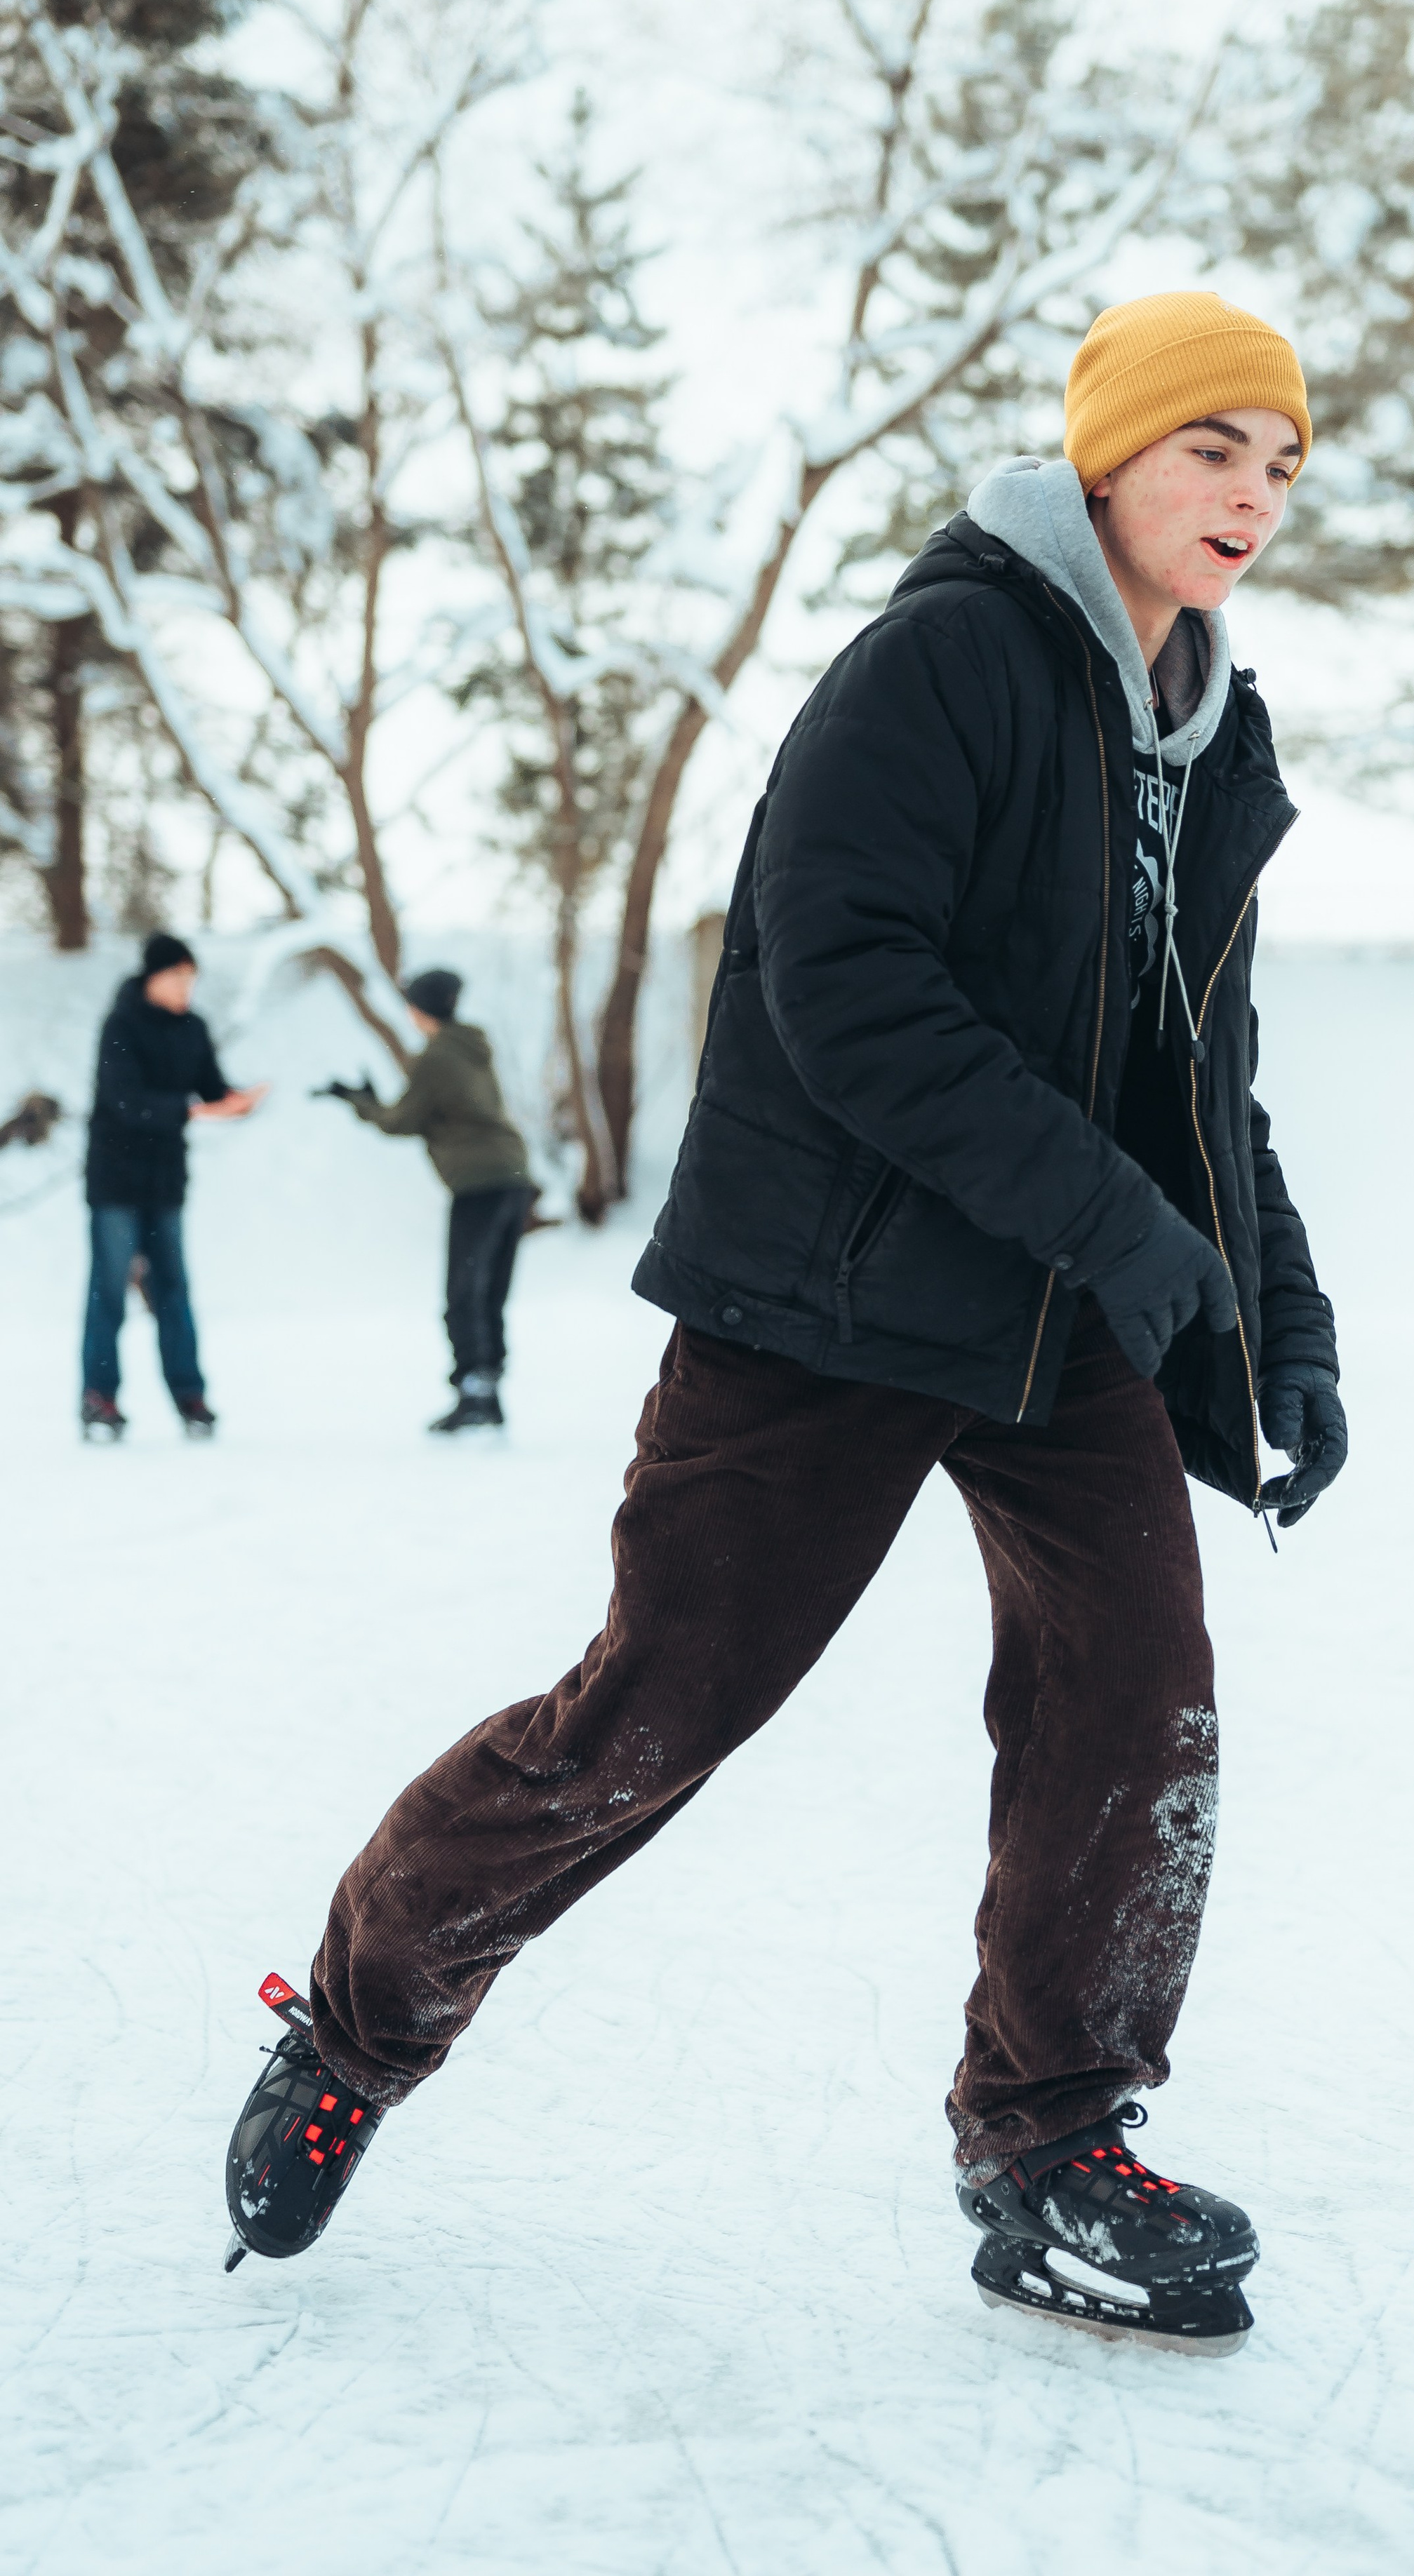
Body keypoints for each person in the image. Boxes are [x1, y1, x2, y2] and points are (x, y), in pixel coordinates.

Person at [226, 292, 1347, 2356]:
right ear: (1106, 452)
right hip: (824, 1291)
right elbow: (844, 988)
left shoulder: (1206, 729)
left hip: (1053, 1312)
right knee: (652, 1714)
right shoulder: (951, 658)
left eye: (1280, 460)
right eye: (1214, 448)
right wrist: (1115, 1216)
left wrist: (1277, 1315)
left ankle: (1049, 2141)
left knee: (1136, 1708)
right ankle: (356, 2030)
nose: (1253, 492)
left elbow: (1208, 1069)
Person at [320, 969, 536, 1433]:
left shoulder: (436, 1057)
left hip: (480, 1181)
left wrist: (359, 1101)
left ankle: (475, 1392)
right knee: (489, 1290)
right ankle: (489, 1388)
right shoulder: (472, 1047)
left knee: (463, 1292)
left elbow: (402, 1120)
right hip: (513, 1174)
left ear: (418, 1009)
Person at [80, 933, 267, 1442]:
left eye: (192, 978)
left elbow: (210, 1086)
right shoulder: (120, 1024)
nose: (186, 987)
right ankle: (99, 1397)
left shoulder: (194, 1028)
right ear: (153, 977)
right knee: (109, 1291)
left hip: (166, 1182)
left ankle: (190, 1396)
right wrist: (192, 1110)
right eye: (178, 977)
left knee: (174, 1292)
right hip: (116, 1180)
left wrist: (238, 1100)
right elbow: (125, 1101)